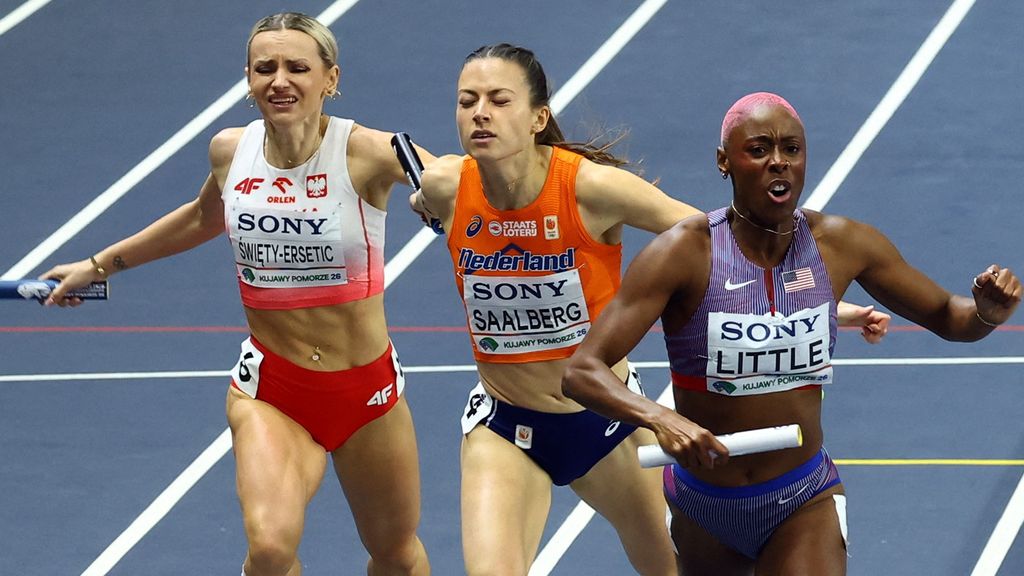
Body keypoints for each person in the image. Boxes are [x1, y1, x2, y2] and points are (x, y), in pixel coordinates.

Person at [410, 46, 888, 575]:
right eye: (466, 101)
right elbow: (390, 154)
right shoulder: (444, 185)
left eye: (499, 100)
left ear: (538, 117)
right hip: (506, 425)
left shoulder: (592, 188)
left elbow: (722, 249)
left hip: (606, 424)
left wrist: (827, 306)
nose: (480, 112)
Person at [561, 91, 1021, 575]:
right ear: (724, 162)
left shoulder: (842, 244)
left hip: (801, 498)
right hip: (704, 507)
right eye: (758, 150)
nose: (778, 162)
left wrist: (987, 312)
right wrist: (659, 417)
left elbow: (950, 316)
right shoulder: (682, 254)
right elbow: (583, 371)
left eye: (791, 149)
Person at [41, 13, 431, 576]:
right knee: (270, 550)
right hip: (274, 390)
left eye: (298, 67)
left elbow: (455, 181)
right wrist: (101, 265)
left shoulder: (371, 151)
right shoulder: (231, 151)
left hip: (365, 390)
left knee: (395, 554)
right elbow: (203, 218)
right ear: (247, 78)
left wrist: (447, 199)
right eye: (264, 67)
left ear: (331, 79)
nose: (280, 80)